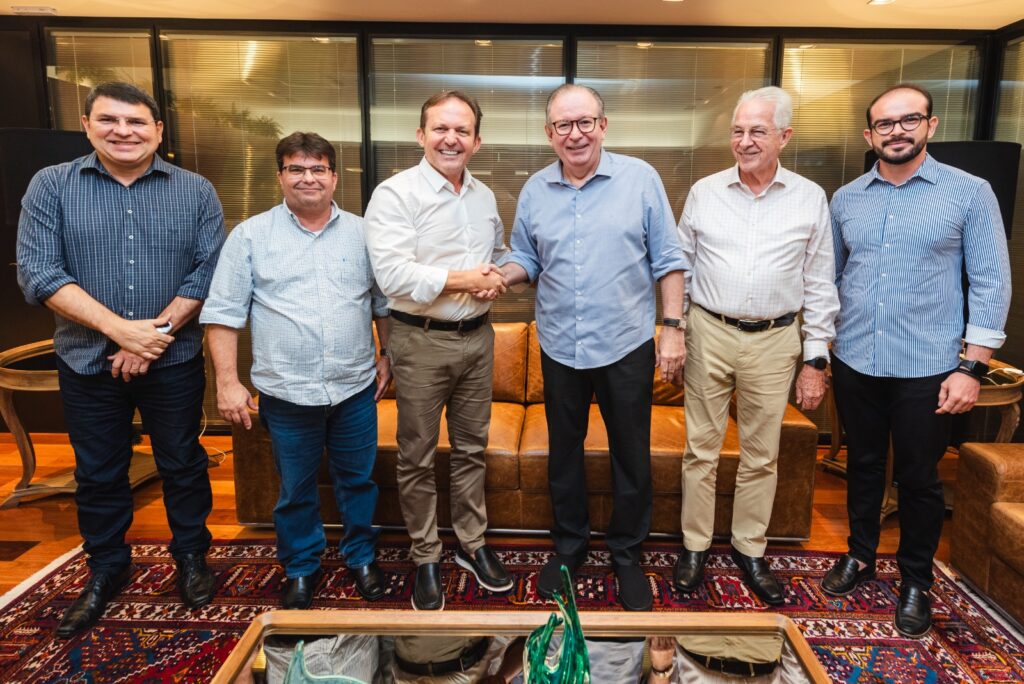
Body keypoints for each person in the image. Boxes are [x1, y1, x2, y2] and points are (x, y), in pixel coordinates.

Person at [16, 81, 224, 637]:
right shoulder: (51, 186)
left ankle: (191, 557)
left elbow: (207, 272)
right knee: (99, 471)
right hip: (86, 359)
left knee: (182, 462)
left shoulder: (195, 191)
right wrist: (120, 332)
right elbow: (39, 273)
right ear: (87, 126)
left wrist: (151, 337)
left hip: (172, 358)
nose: (123, 131)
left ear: (158, 131)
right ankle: (107, 567)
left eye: (136, 122)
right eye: (109, 120)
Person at [823, 83, 1011, 637]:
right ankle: (859, 555)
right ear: (870, 135)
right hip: (856, 357)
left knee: (919, 477)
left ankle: (915, 581)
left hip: (928, 366)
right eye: (885, 124)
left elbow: (991, 280)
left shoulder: (970, 192)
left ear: (930, 125)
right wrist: (823, 346)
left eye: (909, 120)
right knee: (862, 464)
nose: (897, 131)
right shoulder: (847, 198)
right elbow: (832, 275)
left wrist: (972, 367)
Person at [501, 84, 688, 612]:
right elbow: (526, 257)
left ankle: (626, 553)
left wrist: (672, 328)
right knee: (564, 453)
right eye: (564, 125)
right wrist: (499, 277)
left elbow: (669, 259)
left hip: (626, 342)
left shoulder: (640, 179)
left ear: (603, 126)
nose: (575, 134)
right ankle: (569, 546)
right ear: (549, 133)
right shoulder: (536, 189)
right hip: (560, 343)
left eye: (585, 122)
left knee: (631, 454)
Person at [201, 132, 391, 609]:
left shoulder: (364, 233)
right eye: (297, 169)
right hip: (286, 394)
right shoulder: (250, 236)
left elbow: (381, 304)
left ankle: (361, 557)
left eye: (318, 169)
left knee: (358, 482)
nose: (308, 178)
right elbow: (222, 313)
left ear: (334, 177)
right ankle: (302, 567)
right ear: (281, 176)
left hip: (354, 389)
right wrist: (227, 382)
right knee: (296, 489)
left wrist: (387, 354)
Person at [672, 86, 838, 606]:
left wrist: (816, 356)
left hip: (775, 339)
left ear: (784, 136)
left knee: (762, 455)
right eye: (738, 131)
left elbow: (820, 281)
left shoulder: (809, 197)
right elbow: (681, 267)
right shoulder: (705, 192)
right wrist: (674, 327)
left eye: (757, 131)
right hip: (709, 331)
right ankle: (694, 545)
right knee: (700, 448)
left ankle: (750, 548)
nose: (744, 141)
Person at [364, 91, 513, 611]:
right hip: (419, 339)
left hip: (479, 338)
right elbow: (393, 275)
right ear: (421, 135)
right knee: (417, 456)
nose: (451, 139)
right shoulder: (394, 194)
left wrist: (497, 278)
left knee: (472, 449)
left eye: (462, 131)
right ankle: (426, 554)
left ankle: (472, 543)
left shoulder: (484, 196)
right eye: (441, 129)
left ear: (477, 141)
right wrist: (466, 279)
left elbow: (496, 256)